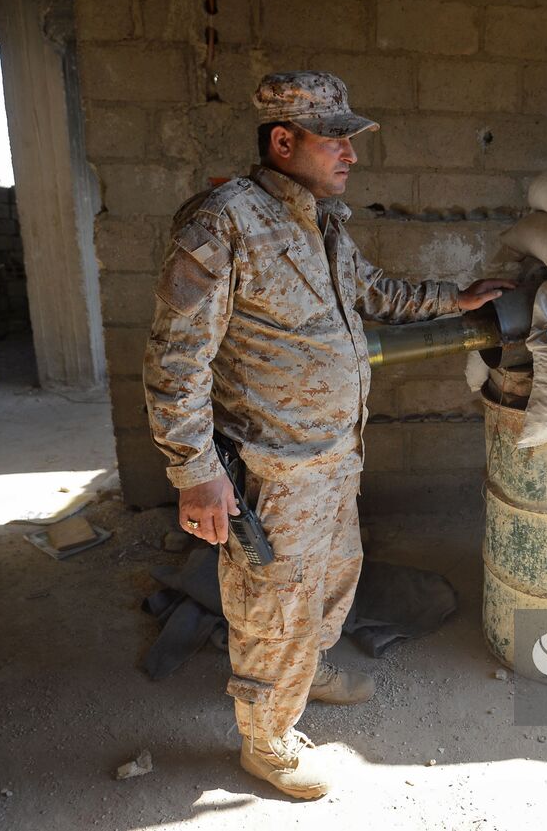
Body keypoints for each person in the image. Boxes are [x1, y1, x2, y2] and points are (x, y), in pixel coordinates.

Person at [143, 71, 514, 800]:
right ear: (284, 141)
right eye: (335, 138)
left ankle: (302, 681)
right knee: (274, 601)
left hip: (336, 456)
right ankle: (268, 740)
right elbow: (173, 358)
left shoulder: (322, 220)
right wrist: (194, 470)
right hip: (270, 466)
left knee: (335, 576)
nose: (350, 153)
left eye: (351, 138)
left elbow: (370, 290)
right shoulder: (222, 223)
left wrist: (453, 298)